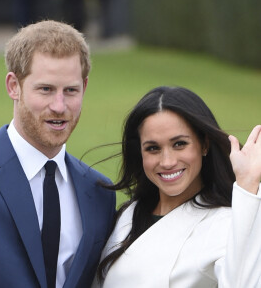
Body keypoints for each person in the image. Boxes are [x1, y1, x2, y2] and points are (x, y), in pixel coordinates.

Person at [0, 20, 116, 288]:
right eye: (45, 89)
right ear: (14, 86)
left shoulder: (99, 192)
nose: (59, 106)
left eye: (70, 90)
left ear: (85, 88)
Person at [93, 86, 261, 287]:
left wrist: (248, 183)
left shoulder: (225, 224)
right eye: (153, 148)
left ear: (204, 145)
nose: (167, 161)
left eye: (179, 144)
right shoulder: (127, 215)